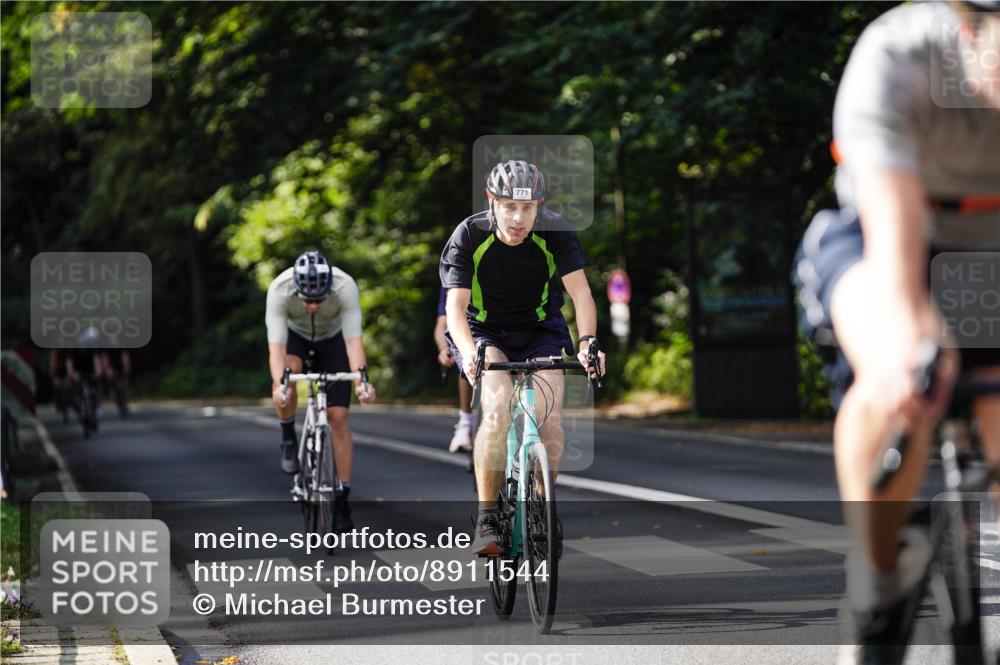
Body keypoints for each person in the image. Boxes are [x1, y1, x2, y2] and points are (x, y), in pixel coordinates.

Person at [793, 2, 1000, 662]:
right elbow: (895, 237)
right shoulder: (896, 58)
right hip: (880, 234)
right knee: (898, 369)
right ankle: (880, 580)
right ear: (968, 28)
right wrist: (919, 338)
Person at [440, 160, 606, 556]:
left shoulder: (555, 232)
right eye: (509, 208)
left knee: (549, 420)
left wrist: (587, 343)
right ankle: (486, 518)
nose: (518, 218)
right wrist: (467, 354)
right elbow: (455, 306)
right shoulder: (469, 234)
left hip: (539, 330)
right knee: (496, 408)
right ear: (491, 202)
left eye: (528, 208)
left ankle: (543, 508)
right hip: (485, 331)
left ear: (539, 206)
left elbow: (581, 294)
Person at [266, 250, 376, 531]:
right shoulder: (279, 289)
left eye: (319, 299)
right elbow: (276, 348)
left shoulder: (344, 286)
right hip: (295, 339)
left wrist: (362, 381)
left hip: (333, 340)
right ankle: (288, 433)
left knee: (339, 417)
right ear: (296, 290)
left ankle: (342, 496)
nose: (313, 306)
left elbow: (353, 342)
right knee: (287, 376)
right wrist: (281, 387)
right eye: (307, 300)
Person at [433, 287, 474, 453]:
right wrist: (443, 348)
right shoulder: (455, 271)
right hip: (468, 330)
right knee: (468, 362)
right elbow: (442, 323)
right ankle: (466, 421)